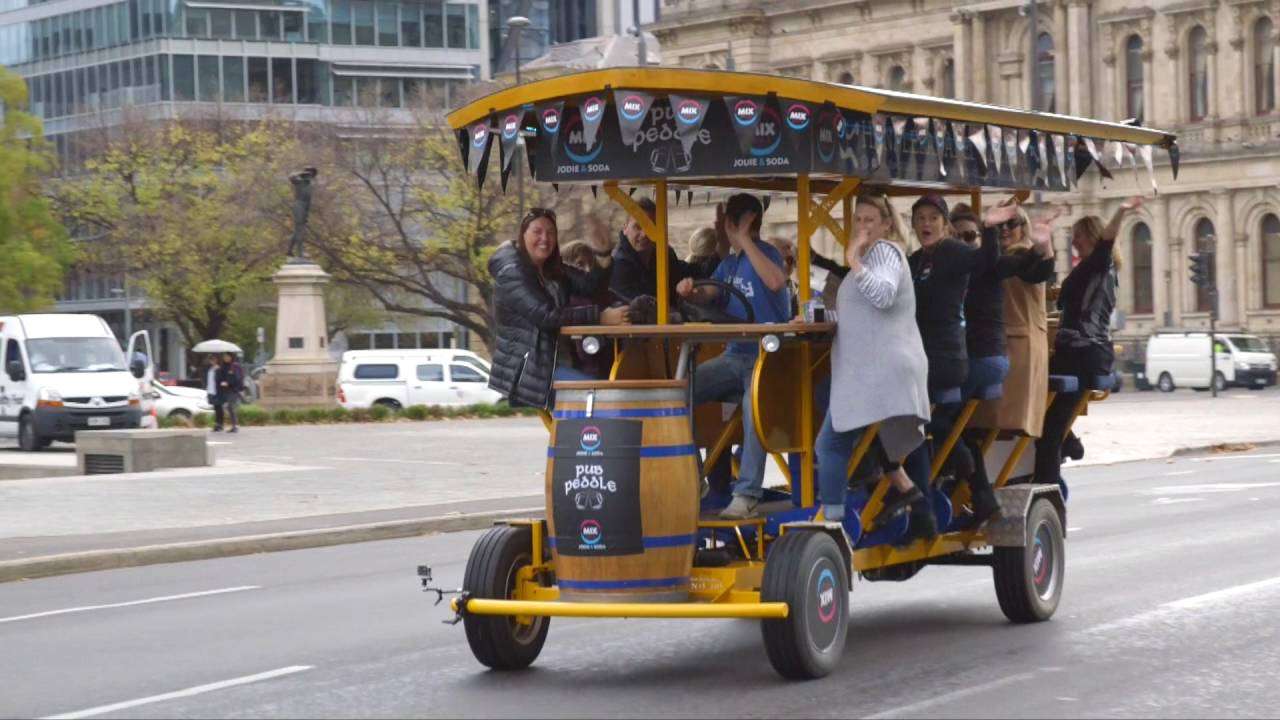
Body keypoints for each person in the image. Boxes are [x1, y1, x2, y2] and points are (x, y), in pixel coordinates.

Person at [815, 191, 932, 538]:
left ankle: (834, 522)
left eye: (870, 220)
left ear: (885, 225)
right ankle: (898, 487)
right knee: (829, 406)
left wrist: (852, 257)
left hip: (881, 371)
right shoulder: (874, 256)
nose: (862, 227)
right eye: (858, 220)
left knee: (830, 443)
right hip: (871, 370)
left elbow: (882, 295)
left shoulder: (885, 252)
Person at [676, 193, 791, 519]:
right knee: (677, 392)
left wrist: (745, 239)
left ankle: (748, 493)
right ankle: (691, 474)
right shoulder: (728, 264)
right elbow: (710, 293)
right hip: (733, 356)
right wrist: (690, 291)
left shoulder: (766, 254)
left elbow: (775, 281)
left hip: (768, 362)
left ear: (746, 222)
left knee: (753, 406)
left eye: (731, 222)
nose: (726, 229)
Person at [948, 201, 1056, 527]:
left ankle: (977, 493)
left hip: (1011, 350)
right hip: (996, 348)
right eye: (1000, 227)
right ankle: (973, 493)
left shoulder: (1015, 257)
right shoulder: (979, 259)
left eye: (1012, 225)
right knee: (963, 425)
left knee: (962, 422)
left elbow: (1038, 269)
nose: (1006, 231)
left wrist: (1044, 243)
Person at [903, 193, 998, 537]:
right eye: (920, 218)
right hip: (918, 359)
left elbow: (986, 262)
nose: (926, 224)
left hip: (944, 360)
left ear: (944, 224)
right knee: (923, 426)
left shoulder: (954, 253)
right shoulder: (914, 261)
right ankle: (961, 476)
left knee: (910, 426)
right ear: (912, 225)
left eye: (933, 217)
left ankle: (923, 509)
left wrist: (990, 229)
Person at [1034, 196, 1143, 496]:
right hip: (1078, 352)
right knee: (1034, 388)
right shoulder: (1091, 270)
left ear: (1093, 237)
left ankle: (1048, 483)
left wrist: (1120, 212)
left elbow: (1107, 241)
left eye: (1079, 235)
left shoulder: (1099, 263)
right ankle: (1070, 441)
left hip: (1083, 354)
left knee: (1048, 428)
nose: (1074, 242)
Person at [488, 207, 630, 408]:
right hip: (531, 371)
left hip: (555, 364)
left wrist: (603, 253)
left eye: (551, 232)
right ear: (522, 235)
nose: (545, 238)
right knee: (600, 399)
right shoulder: (512, 272)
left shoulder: (552, 270)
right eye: (537, 232)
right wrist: (600, 318)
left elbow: (591, 286)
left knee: (608, 397)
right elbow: (545, 316)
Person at [609, 197, 709, 305]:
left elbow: (690, 272)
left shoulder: (664, 254)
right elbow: (640, 309)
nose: (644, 234)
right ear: (625, 228)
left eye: (651, 228)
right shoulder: (618, 265)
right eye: (637, 227)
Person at [217, 352, 244, 433]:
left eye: (227, 356)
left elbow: (237, 378)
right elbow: (221, 377)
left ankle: (235, 426)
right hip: (226, 390)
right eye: (224, 356)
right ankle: (233, 425)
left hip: (234, 390)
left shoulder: (235, 366)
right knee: (229, 407)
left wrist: (228, 383)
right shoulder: (223, 366)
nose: (226, 358)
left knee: (230, 407)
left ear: (231, 357)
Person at [204, 354, 223, 432]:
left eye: (214, 359)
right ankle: (217, 424)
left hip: (217, 391)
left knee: (219, 408)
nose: (212, 361)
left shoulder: (218, 369)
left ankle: (219, 424)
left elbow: (219, 380)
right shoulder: (210, 369)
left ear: (216, 360)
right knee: (216, 408)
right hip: (211, 390)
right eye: (211, 360)